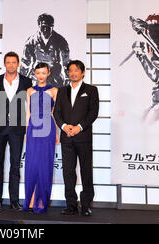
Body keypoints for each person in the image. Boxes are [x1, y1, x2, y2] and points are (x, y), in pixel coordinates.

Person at [53, 60, 99, 216]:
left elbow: (93, 113)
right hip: (66, 137)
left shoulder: (91, 90)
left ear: (83, 73)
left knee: (86, 171)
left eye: (76, 70)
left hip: (83, 137)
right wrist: (64, 126)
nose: (73, 73)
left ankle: (86, 205)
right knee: (68, 172)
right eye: (70, 70)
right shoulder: (62, 90)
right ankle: (71, 205)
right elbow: (56, 112)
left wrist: (79, 127)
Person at [0, 52, 32, 212]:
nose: (11, 65)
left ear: (18, 64)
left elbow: (29, 107)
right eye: (8, 62)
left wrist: (29, 128)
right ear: (4, 64)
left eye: (14, 62)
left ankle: (14, 200)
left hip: (17, 128)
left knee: (15, 165)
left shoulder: (27, 81)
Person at [23, 63, 59, 214]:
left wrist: (57, 132)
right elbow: (28, 114)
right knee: (31, 165)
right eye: (38, 73)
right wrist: (26, 132)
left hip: (48, 129)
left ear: (48, 73)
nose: (41, 76)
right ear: (35, 74)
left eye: (43, 73)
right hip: (33, 129)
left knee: (45, 166)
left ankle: (42, 201)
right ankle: (30, 201)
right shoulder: (30, 91)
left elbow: (55, 113)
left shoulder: (54, 91)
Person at [21, 13, 70, 88]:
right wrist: (22, 81)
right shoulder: (31, 41)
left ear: (52, 26)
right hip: (36, 79)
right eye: (43, 27)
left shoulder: (61, 41)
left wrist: (67, 79)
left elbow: (66, 62)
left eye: (48, 27)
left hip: (55, 79)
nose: (45, 30)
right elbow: (25, 63)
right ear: (39, 25)